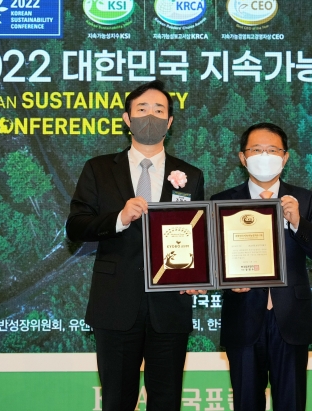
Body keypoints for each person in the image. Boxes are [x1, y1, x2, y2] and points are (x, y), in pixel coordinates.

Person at [66, 80, 205, 411]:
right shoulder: (98, 169)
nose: (150, 116)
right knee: (117, 400)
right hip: (115, 304)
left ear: (170, 123)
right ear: (127, 119)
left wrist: (198, 274)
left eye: (159, 111)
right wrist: (119, 218)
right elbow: (75, 226)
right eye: (142, 110)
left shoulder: (190, 174)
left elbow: (198, 232)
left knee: (167, 401)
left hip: (169, 308)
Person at [211, 122, 312, 411]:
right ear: (243, 157)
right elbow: (211, 260)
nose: (264, 156)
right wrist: (226, 281)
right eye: (256, 150)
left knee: (291, 403)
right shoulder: (222, 202)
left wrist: (297, 222)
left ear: (285, 157)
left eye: (272, 150)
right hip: (242, 319)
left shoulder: (304, 199)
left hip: (290, 319)